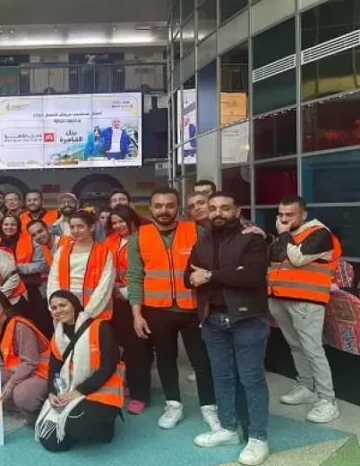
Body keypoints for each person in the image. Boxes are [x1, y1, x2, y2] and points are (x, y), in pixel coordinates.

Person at [184, 192, 271, 466]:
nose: (218, 213)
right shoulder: (203, 241)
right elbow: (188, 277)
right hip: (212, 319)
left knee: (251, 379)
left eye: (224, 208)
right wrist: (230, 273)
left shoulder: (252, 238)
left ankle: (258, 437)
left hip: (247, 319)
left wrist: (210, 275)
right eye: (213, 208)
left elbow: (252, 276)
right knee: (221, 377)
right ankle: (228, 428)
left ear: (237, 210)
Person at [128, 187, 218, 430]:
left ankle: (209, 406)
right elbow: (134, 278)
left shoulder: (196, 231)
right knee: (166, 360)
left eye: (169, 205)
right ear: (151, 208)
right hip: (157, 310)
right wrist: (136, 314)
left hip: (192, 310)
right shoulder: (139, 237)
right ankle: (173, 405)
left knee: (202, 361)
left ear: (178, 208)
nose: (164, 210)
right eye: (158, 206)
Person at [268, 195, 342, 423]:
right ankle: (306, 387)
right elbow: (273, 256)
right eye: (281, 214)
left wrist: (283, 235)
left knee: (312, 349)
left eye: (290, 215)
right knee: (296, 346)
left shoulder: (319, 234)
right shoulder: (289, 235)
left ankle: (328, 400)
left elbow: (298, 258)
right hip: (280, 297)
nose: (284, 219)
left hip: (307, 300)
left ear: (304, 215)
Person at [36, 290, 124, 452]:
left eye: (63, 305)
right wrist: (52, 392)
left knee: (77, 425)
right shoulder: (58, 336)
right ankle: (73, 426)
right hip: (70, 390)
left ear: (74, 305)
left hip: (101, 390)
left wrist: (79, 392)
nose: (58, 310)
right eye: (54, 308)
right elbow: (54, 369)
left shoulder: (100, 327)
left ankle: (105, 426)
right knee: (50, 442)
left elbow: (109, 366)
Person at [104, 205, 152, 414]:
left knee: (137, 349)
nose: (118, 225)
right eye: (114, 222)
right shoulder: (109, 241)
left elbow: (149, 270)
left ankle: (140, 394)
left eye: (121, 221)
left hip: (138, 300)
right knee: (119, 347)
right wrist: (114, 287)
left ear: (132, 219)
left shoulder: (144, 238)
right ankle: (126, 385)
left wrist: (126, 290)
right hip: (114, 301)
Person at [0, 289, 49, 425]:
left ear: (3, 302)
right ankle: (23, 410)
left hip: (41, 371)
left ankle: (40, 418)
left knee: (21, 394)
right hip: (21, 370)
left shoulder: (20, 325)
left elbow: (31, 362)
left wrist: (11, 384)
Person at [46, 210, 115, 327]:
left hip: (94, 309)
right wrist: (55, 307)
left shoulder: (104, 252)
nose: (75, 231)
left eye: (80, 226)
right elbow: (53, 280)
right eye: (72, 227)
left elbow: (105, 286)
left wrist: (86, 314)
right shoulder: (62, 250)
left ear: (91, 227)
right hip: (64, 306)